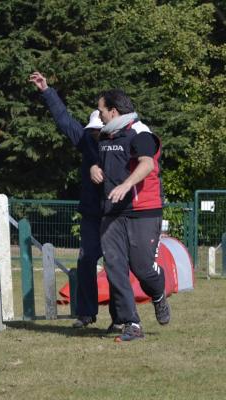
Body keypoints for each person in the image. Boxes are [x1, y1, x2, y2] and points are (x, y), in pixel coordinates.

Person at [29, 72, 122, 332]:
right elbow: (63, 120)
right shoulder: (85, 142)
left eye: (98, 132)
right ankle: (86, 313)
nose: (95, 136)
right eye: (91, 132)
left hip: (115, 214)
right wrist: (46, 91)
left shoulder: (121, 142)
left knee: (116, 265)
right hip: (92, 215)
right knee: (85, 261)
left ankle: (120, 318)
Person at [90, 89, 171, 341]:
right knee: (114, 266)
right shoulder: (104, 137)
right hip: (112, 212)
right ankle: (131, 324)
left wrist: (126, 185)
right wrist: (94, 168)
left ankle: (158, 295)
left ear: (113, 111)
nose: (99, 116)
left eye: (101, 110)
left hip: (143, 211)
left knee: (143, 268)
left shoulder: (140, 133)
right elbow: (102, 163)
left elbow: (147, 164)